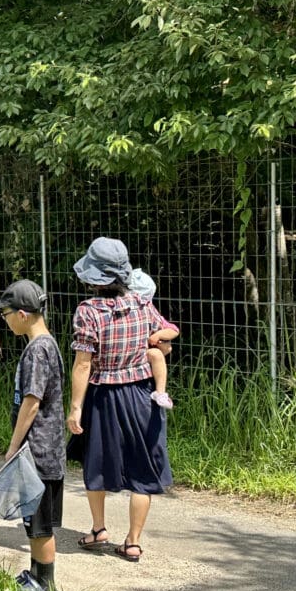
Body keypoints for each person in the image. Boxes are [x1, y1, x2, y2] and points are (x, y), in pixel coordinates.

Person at [68, 237, 173, 564]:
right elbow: (164, 337)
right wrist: (158, 345)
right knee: (143, 467)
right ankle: (133, 542)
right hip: (142, 395)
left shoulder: (88, 311)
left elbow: (83, 364)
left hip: (103, 398)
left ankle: (98, 529)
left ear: (94, 276)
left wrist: (75, 408)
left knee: (96, 462)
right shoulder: (142, 303)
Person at [0, 279, 64, 591]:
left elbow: (32, 402)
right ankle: (35, 577)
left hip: (38, 450)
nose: (4, 321)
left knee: (40, 524)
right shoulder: (46, 344)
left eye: (5, 314)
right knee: (33, 521)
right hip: (45, 449)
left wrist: (12, 446)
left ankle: (47, 586)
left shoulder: (37, 350)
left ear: (22, 314)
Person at [127, 268, 181, 410]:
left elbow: (173, 330)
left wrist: (158, 335)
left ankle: (160, 393)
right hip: (126, 357)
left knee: (157, 354)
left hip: (144, 353)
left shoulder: (148, 309)